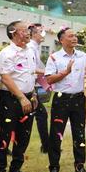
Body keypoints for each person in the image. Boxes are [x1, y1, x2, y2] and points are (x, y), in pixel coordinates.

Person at [0, 20, 38, 172]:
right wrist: (21, 97)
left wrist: (32, 94)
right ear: (13, 32)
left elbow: (30, 74)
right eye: (25, 30)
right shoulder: (7, 53)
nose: (28, 33)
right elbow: (5, 77)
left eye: (28, 30)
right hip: (11, 99)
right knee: (4, 136)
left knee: (23, 136)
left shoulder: (30, 50)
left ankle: (15, 170)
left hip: (28, 97)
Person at [45, 27, 86, 172]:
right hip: (61, 99)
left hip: (79, 98)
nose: (74, 38)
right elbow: (49, 79)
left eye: (75, 36)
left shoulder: (83, 56)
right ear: (61, 40)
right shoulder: (54, 57)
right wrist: (65, 72)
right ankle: (54, 167)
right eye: (71, 36)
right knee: (56, 134)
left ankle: (80, 165)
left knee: (79, 133)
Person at [27, 23, 50, 154]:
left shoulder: (35, 47)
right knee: (40, 115)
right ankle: (46, 145)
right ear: (34, 34)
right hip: (27, 88)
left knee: (41, 115)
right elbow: (32, 69)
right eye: (41, 32)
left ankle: (46, 145)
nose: (43, 35)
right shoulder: (30, 48)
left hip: (32, 87)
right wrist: (48, 72)